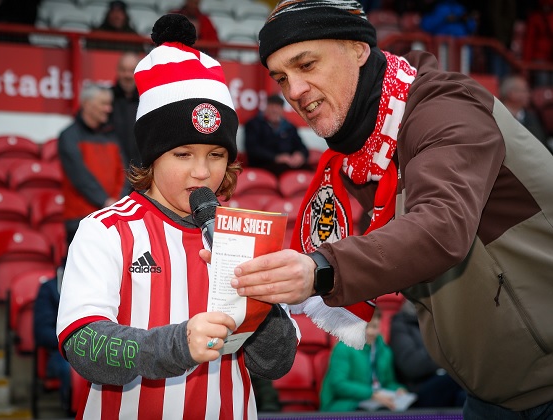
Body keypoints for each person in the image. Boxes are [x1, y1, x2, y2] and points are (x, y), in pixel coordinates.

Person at [224, 1, 553, 418]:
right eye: (281, 78)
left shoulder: (447, 108)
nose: (294, 91)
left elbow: (439, 229)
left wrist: (321, 268)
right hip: (495, 393)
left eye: (307, 64)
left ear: (359, 49)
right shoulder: (364, 153)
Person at [56, 14, 297, 419]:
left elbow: (276, 362)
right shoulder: (106, 230)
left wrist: (261, 303)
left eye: (216, 155)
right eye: (183, 154)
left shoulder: (243, 234)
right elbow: (83, 345)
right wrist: (177, 344)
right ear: (152, 156)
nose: (202, 172)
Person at [57, 82, 128, 246]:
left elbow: (123, 171)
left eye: (109, 104)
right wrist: (106, 202)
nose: (108, 109)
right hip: (80, 219)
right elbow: (80, 177)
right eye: (103, 104)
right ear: (87, 104)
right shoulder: (69, 136)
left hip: (112, 216)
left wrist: (117, 202)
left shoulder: (112, 136)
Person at [320, 309, 411, 412]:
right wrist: (371, 394)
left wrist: (398, 389)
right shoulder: (343, 348)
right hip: (344, 404)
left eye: (374, 327)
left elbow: (388, 382)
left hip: (375, 401)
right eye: (366, 327)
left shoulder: (385, 351)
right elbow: (338, 384)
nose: (370, 331)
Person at [389, 300, 466, 408]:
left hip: (446, 383)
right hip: (419, 388)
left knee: (468, 396)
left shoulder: (443, 322)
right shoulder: (400, 325)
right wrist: (445, 352)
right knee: (457, 379)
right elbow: (411, 364)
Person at [33, 265, 71, 414]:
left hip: (94, 350)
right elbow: (42, 332)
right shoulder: (49, 289)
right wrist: (74, 341)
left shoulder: (101, 287)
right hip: (61, 353)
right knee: (74, 368)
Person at [244, 94, 312, 176]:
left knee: (309, 170)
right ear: (266, 108)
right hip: (265, 165)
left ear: (282, 110)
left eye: (278, 107)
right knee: (283, 169)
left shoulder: (289, 127)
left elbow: (302, 147)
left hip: (289, 164)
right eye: (272, 106)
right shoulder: (253, 124)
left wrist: (300, 155)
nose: (274, 110)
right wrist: (276, 158)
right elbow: (252, 149)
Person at [498, 75, 550, 152]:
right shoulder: (497, 115)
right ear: (511, 94)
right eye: (525, 91)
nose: (529, 95)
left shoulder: (532, 117)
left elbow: (542, 143)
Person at [109, 51, 143, 169]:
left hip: (142, 174)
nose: (127, 75)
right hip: (113, 172)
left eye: (131, 70)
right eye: (123, 70)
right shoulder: (106, 100)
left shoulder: (148, 100)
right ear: (117, 71)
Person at [522, 0, 553, 86]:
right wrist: (526, 63)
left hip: (549, 58)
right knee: (542, 85)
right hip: (539, 58)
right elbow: (529, 42)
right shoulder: (535, 18)